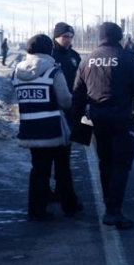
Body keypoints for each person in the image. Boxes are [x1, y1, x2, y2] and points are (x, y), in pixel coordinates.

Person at [72, 22, 134, 230]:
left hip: (98, 118)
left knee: (105, 162)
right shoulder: (128, 58)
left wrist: (76, 122)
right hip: (123, 117)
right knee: (121, 164)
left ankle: (109, 204)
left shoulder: (87, 60)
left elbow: (78, 94)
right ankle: (113, 211)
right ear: (119, 37)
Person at [12, 34, 83, 221]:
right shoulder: (53, 72)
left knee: (38, 170)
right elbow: (66, 101)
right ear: (49, 50)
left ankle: (36, 210)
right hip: (53, 129)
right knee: (62, 168)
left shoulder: (17, 72)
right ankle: (70, 205)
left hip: (29, 128)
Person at [50, 22, 82, 202]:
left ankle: (61, 189)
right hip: (52, 110)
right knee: (49, 156)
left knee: (65, 152)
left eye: (70, 37)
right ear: (56, 37)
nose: (68, 40)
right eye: (65, 37)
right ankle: (52, 190)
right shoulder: (50, 56)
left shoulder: (74, 56)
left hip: (70, 109)